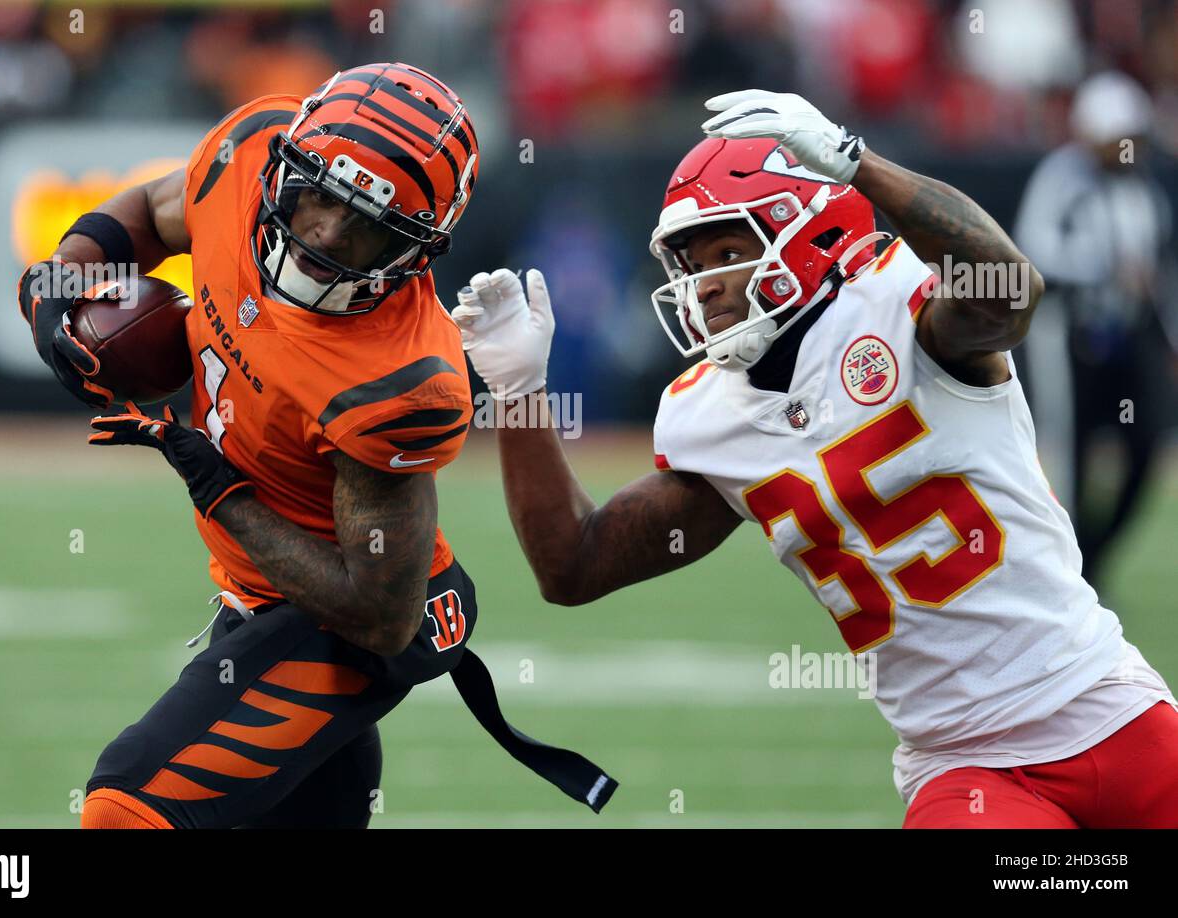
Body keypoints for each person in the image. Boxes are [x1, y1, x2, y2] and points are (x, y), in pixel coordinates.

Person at [455, 89, 1178, 827]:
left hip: (1104, 705)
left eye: (728, 253)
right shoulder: (715, 417)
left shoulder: (904, 311)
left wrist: (859, 162)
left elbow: (1009, 293)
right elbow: (573, 566)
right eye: (690, 262)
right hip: (962, 763)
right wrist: (519, 392)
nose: (702, 287)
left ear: (808, 235)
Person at [17, 62, 615, 828]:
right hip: (262, 601)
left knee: (125, 809)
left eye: (366, 224)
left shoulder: (401, 380)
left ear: (416, 248)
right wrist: (64, 280)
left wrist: (221, 492)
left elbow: (380, 616)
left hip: (344, 628)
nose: (325, 234)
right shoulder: (251, 148)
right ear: (286, 164)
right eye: (318, 196)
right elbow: (155, 208)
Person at [1013, 70, 1177, 589]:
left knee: (1147, 442)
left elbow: (1159, 266)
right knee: (1069, 450)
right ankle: (1067, 569)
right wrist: (1102, 265)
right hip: (1069, 334)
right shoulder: (1062, 177)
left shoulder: (1143, 187)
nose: (1126, 149)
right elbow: (1031, 249)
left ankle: (1092, 555)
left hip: (1129, 336)